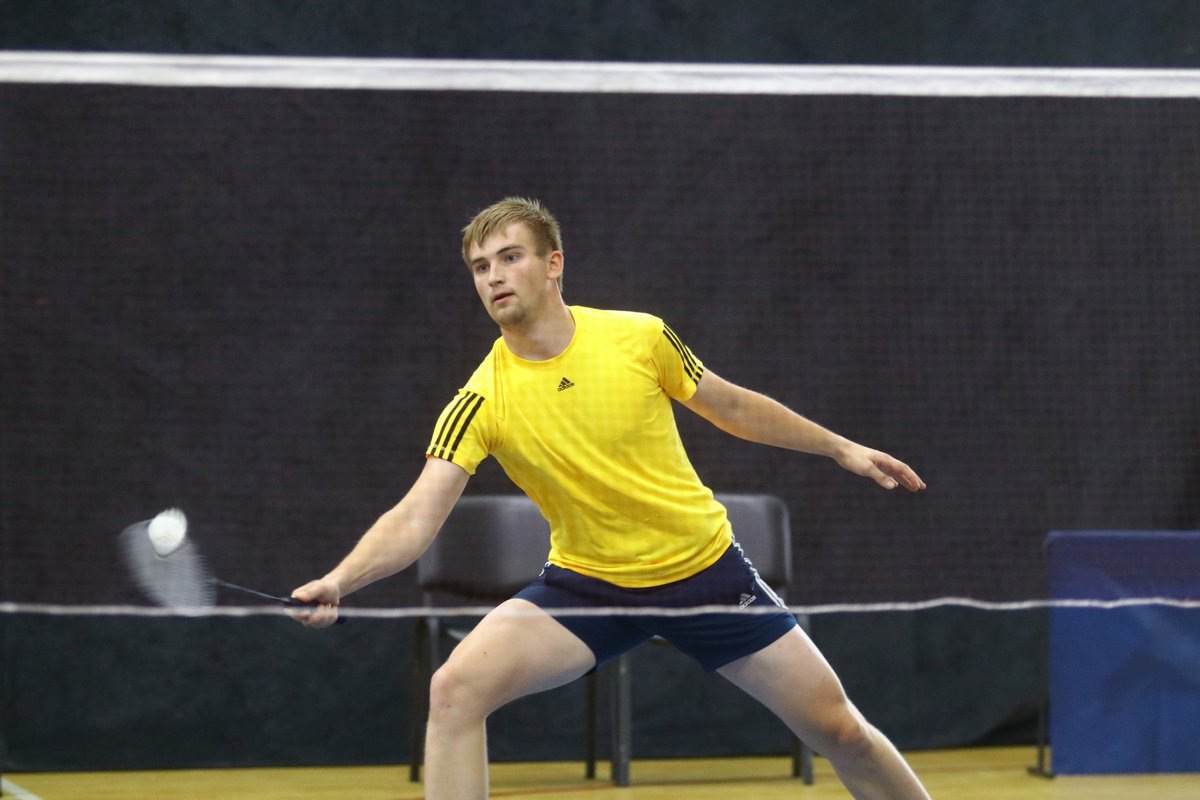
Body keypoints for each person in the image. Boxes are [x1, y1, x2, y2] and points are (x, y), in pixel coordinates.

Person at [293, 197, 932, 800]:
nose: (494, 277)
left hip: (706, 575)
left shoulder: (640, 338)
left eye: (510, 257)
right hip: (588, 589)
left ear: (553, 264)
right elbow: (415, 516)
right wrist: (340, 580)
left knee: (842, 731)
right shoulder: (480, 400)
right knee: (454, 690)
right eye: (481, 267)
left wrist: (840, 448)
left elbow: (733, 407)